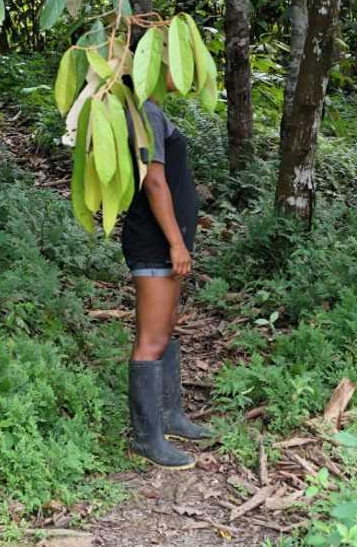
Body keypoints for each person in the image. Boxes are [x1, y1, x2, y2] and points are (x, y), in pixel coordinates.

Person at [122, 76, 213, 469]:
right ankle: (146, 438)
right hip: (154, 239)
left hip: (164, 239)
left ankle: (170, 418)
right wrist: (176, 242)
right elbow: (155, 182)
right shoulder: (144, 111)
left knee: (165, 331)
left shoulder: (153, 110)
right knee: (151, 339)